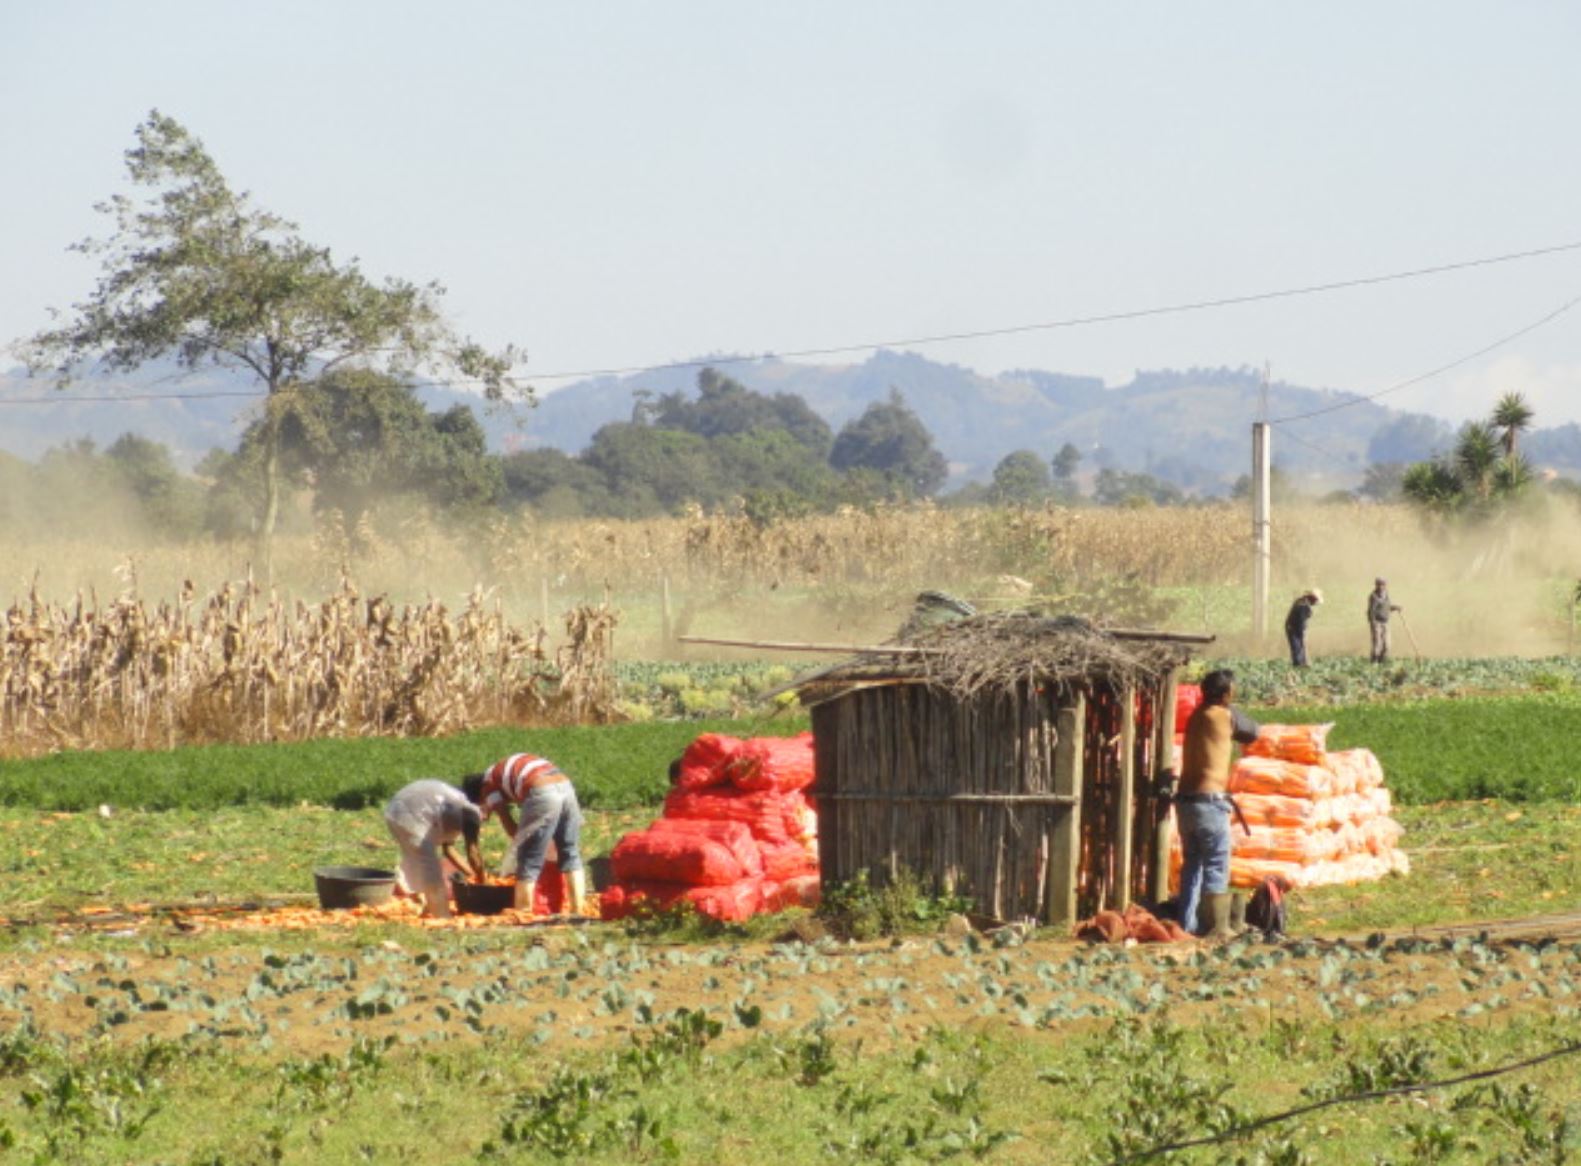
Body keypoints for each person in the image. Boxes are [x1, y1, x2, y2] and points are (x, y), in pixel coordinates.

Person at [1175, 668, 1260, 939]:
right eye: (1232, 691)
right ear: (1226, 694)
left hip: (1186, 804)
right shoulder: (1225, 715)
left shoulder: (1194, 717)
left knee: (1192, 865)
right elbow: (1253, 732)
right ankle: (1215, 928)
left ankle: (1187, 926)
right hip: (1210, 804)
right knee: (1215, 864)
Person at [462, 753, 586, 915]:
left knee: (529, 857)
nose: (485, 817)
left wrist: (525, 847)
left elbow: (512, 828)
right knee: (569, 851)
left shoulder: (488, 786)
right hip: (564, 785)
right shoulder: (499, 774)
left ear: (479, 797)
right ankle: (578, 910)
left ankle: (523, 912)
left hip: (540, 788)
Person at [383, 779, 485, 920]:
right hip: (409, 813)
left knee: (419, 862)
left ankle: (427, 907)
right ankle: (441, 916)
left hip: (394, 812)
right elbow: (474, 853)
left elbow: (449, 851)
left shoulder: (454, 811)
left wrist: (471, 875)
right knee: (429, 866)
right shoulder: (471, 815)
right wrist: (482, 880)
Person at [1283, 587, 1323, 667]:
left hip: (1293, 626)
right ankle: (1299, 664)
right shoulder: (1303, 606)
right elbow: (1301, 621)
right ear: (1312, 598)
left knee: (1300, 645)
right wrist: (1303, 632)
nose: (1315, 603)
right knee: (1297, 645)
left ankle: (1302, 662)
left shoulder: (1302, 601)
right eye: (1315, 600)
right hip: (1293, 628)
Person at [1367, 578, 1402, 664]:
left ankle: (1382, 660)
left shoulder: (1386, 595)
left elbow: (1387, 607)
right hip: (1377, 623)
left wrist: (1395, 607)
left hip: (1386, 622)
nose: (1381, 586)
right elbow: (1371, 611)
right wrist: (1373, 622)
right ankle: (1374, 661)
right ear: (1376, 585)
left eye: (1383, 585)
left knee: (1387, 644)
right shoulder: (1373, 596)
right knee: (1377, 644)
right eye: (1379, 584)